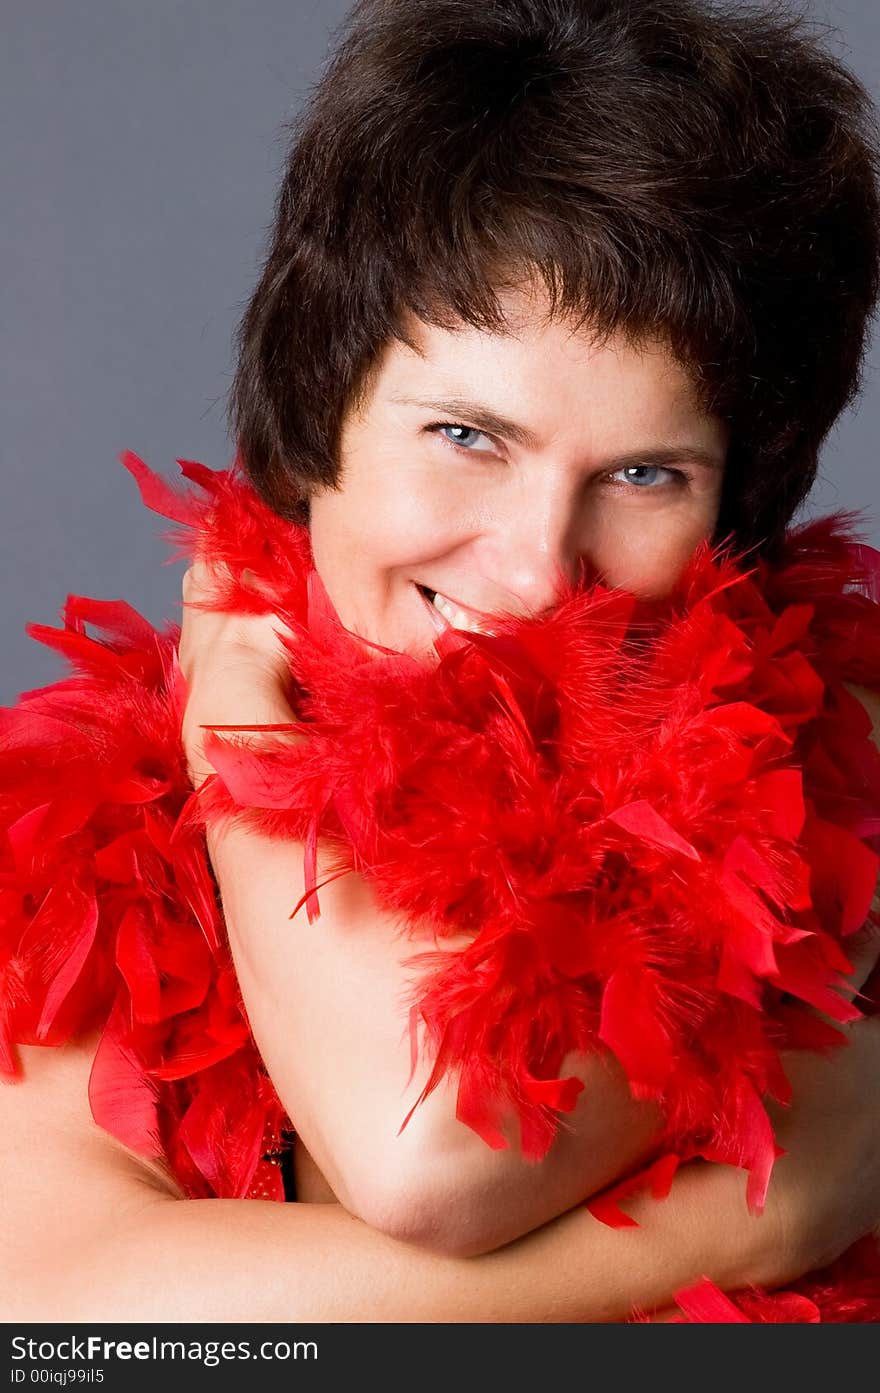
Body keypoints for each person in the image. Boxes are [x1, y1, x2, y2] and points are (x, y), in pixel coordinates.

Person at [3, 0, 880, 1322]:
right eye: (469, 435)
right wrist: (721, 1231)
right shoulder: (83, 837)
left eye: (645, 473)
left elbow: (427, 1148)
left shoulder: (819, 771)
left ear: (733, 517)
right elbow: (64, 1309)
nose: (537, 569)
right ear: (315, 421)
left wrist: (234, 726)